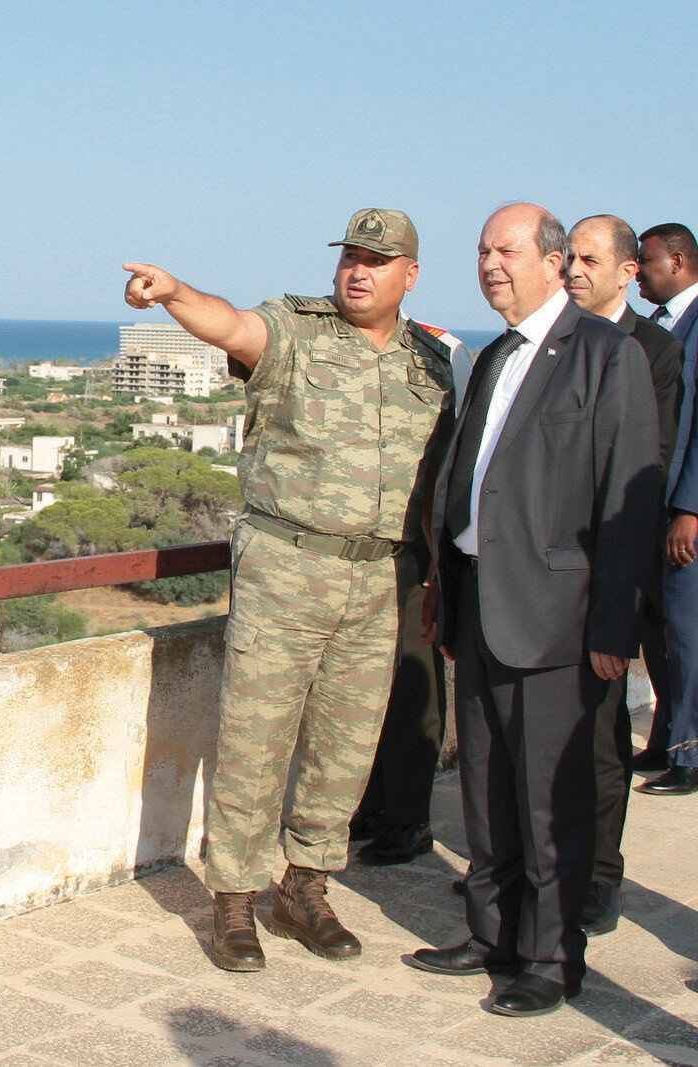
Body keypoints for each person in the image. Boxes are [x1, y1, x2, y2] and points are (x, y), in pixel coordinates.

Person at [123, 208, 453, 973]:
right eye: (350, 257)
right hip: (285, 567)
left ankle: (305, 887)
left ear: (410, 274)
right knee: (255, 737)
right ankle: (234, 899)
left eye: (379, 260)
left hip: (376, 577)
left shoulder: (430, 362)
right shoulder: (296, 330)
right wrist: (173, 292)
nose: (359, 271)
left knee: (346, 745)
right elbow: (230, 326)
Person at [408, 203, 660, 1018]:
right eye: (481, 250)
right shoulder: (492, 357)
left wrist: (615, 625)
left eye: (505, 250)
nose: (489, 264)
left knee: (551, 800)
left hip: (560, 614)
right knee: (486, 785)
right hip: (479, 601)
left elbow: (632, 492)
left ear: (554, 262)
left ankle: (552, 957)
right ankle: (492, 933)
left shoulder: (605, 355)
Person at [562, 215, 683, 935]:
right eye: (567, 257)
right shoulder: (552, 340)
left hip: (609, 568)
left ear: (627, 271)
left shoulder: (655, 350)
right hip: (545, 575)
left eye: (586, 258)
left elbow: (650, 463)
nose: (572, 269)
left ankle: (601, 876)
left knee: (604, 735)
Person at [353, 321, 467, 867]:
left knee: (409, 691)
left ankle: (408, 818)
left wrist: (441, 562)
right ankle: (371, 805)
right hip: (355, 556)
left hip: (414, 554)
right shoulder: (337, 346)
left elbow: (456, 464)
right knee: (356, 692)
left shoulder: (442, 351)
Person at [635, 223, 698, 795]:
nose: (638, 274)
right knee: (654, 630)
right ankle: (663, 738)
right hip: (649, 505)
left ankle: (691, 755)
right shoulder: (659, 326)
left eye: (646, 263)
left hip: (684, 510)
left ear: (677, 261)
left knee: (686, 633)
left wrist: (689, 509)